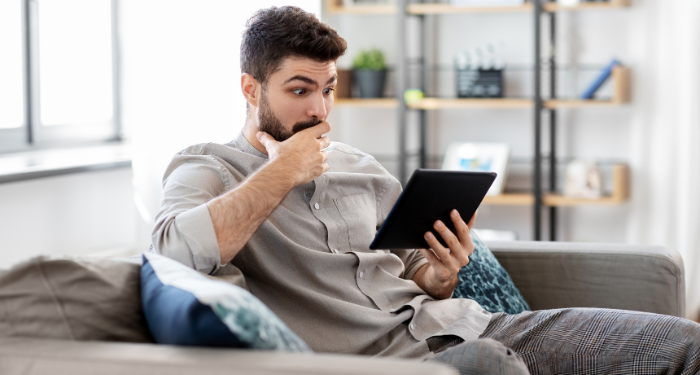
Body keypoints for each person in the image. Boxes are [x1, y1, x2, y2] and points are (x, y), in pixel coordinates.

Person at [152, 6, 700, 375]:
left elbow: (418, 270)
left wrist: (438, 275)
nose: (319, 109)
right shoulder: (208, 167)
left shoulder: (358, 166)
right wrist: (281, 170)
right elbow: (173, 249)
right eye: (299, 90)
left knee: (683, 345)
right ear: (250, 88)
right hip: (394, 362)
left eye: (328, 89)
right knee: (492, 366)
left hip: (470, 325)